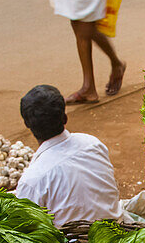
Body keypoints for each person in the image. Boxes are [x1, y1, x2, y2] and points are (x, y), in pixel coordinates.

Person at [15, 84, 121, 226]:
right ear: (65, 118)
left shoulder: (32, 180)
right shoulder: (92, 144)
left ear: (27, 124)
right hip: (116, 229)